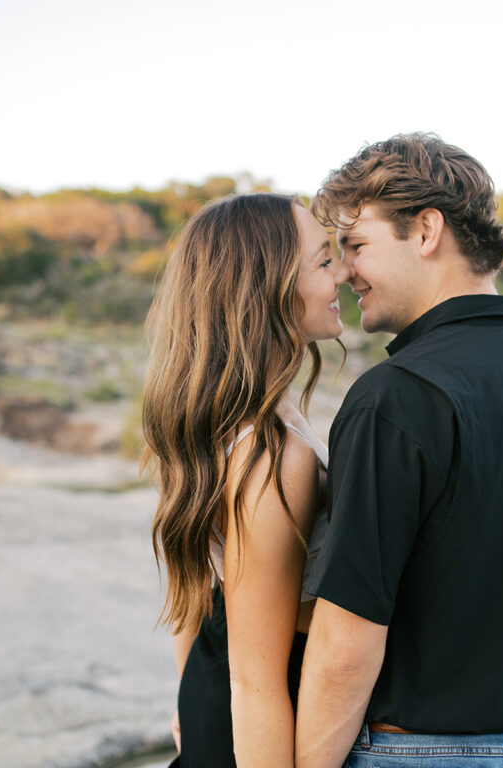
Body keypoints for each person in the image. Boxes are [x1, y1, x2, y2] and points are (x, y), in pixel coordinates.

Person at [295, 134, 503, 768]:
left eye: (357, 246)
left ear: (426, 230)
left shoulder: (396, 397)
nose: (347, 271)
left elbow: (347, 635)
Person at [141, 193, 350, 767]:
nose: (345, 273)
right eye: (324, 261)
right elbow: (256, 680)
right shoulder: (270, 453)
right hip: (259, 721)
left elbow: (199, 589)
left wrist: (188, 694)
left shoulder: (222, 417)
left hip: (222, 691)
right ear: (270, 287)